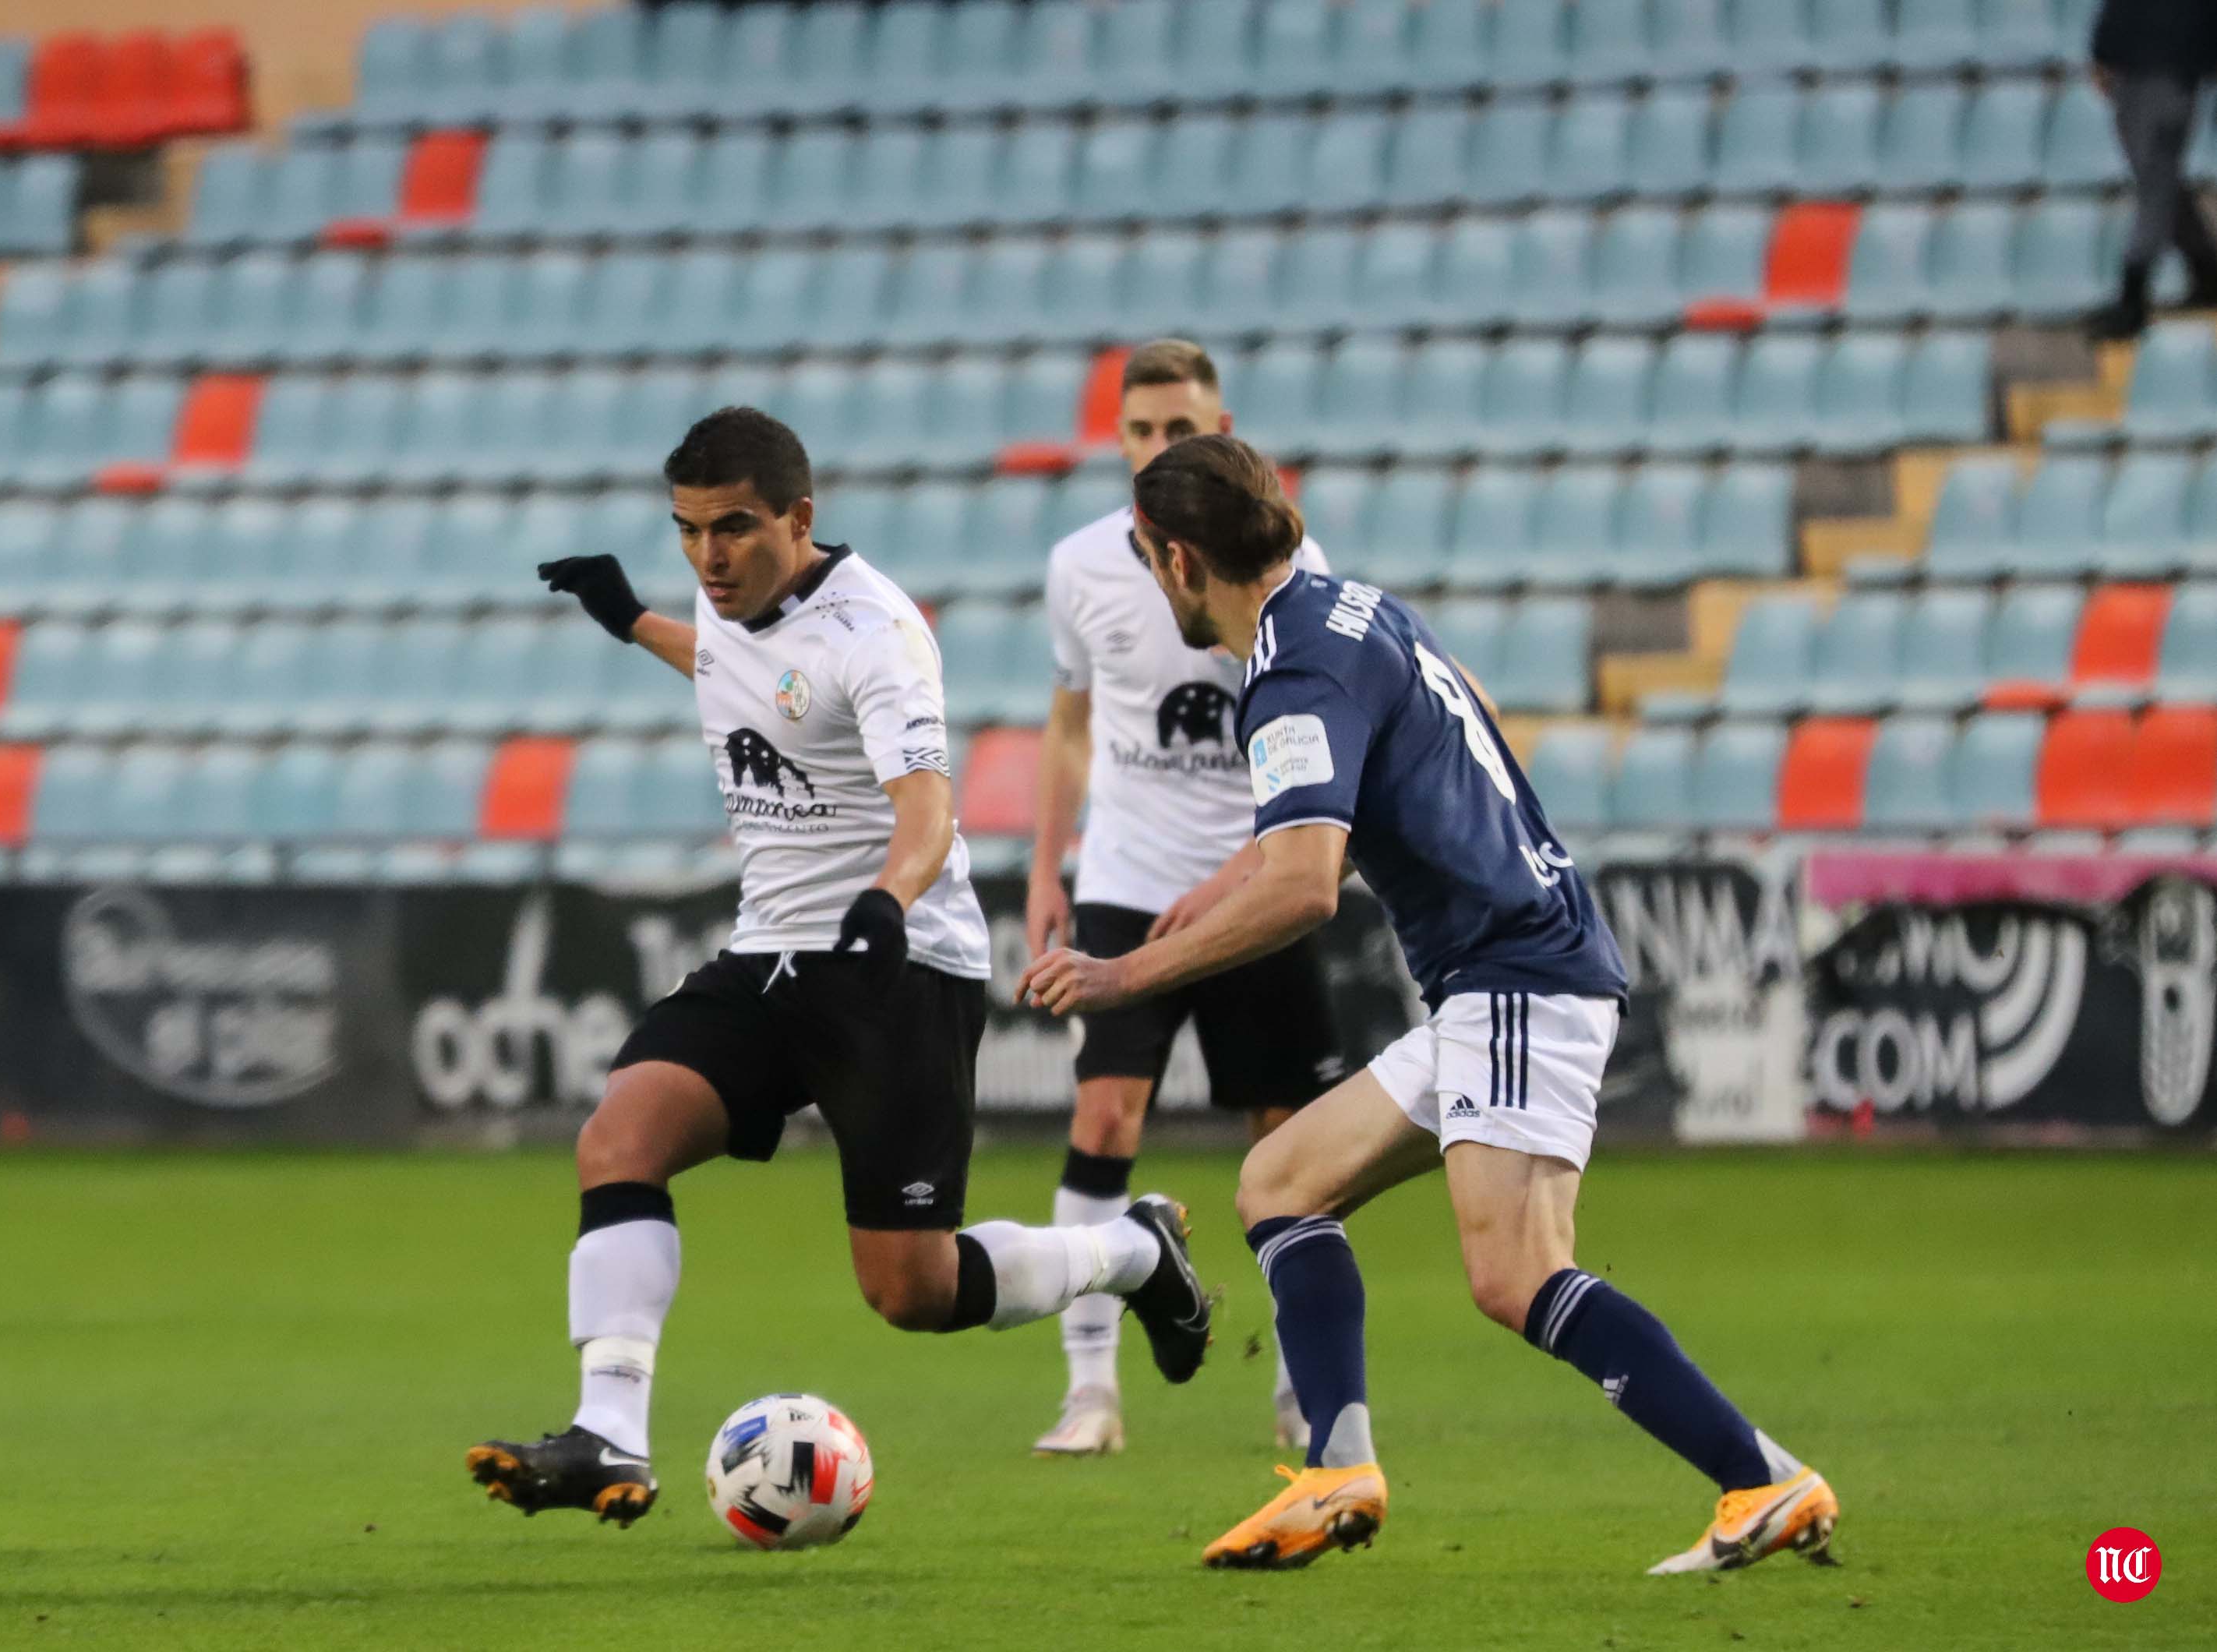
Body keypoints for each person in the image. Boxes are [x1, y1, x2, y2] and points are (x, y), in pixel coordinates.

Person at [1019, 435, 1837, 1576]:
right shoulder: (1353, 610)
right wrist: (1227, 879)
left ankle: (1761, 1478)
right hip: (1506, 976)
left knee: (1516, 1276)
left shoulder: (1290, 675)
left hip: (1514, 978)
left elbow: (1307, 887)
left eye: (1154, 560)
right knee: (1280, 1181)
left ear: (1175, 561)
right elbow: (1385, 792)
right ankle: (1336, 1467)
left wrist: (1123, 977)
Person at [467, 408, 1212, 1525]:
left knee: (909, 1292)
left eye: (734, 529)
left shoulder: (878, 633)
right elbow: (733, 665)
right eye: (687, 531)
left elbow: (928, 806)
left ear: (799, 518)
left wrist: (883, 902)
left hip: (896, 967)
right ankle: (608, 1438)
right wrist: (631, 620)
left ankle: (1131, 1252)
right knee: (620, 1137)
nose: (709, 557)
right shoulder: (730, 606)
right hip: (768, 955)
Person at [1027, 340, 1344, 1458]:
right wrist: (1045, 872)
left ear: (1222, 435)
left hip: (1259, 878)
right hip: (1125, 877)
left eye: (1183, 430)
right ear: (1119, 441)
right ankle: (1089, 1392)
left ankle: (1304, 1389)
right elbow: (1068, 729)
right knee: (1103, 1114)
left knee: (1292, 1144)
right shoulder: (1078, 568)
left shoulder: (1274, 564)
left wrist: (1260, 861)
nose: (1162, 448)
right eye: (1143, 432)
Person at [2086, 0, 2217, 339]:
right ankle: (2206, 269)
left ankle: (2133, 298)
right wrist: (2104, 52)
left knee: (2156, 182)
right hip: (2141, 70)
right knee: (2158, 178)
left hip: (2170, 72)